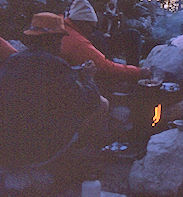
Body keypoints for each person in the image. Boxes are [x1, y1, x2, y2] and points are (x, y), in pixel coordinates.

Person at [0, 12, 108, 171]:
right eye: (60, 38)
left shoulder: (12, 61)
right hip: (40, 151)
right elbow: (89, 101)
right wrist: (88, 78)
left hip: (8, 147)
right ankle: (78, 159)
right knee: (102, 103)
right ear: (53, 39)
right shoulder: (56, 66)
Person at [61, 0, 151, 88]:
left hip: (106, 39)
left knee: (132, 34)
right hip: (74, 77)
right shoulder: (78, 42)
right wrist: (138, 72)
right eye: (92, 27)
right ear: (83, 23)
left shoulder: (64, 26)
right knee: (98, 37)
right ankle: (117, 84)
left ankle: (129, 76)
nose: (91, 31)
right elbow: (105, 67)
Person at [68, 0, 142, 66]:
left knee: (133, 34)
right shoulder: (82, 1)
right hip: (90, 41)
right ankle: (109, 70)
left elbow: (117, 24)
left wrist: (118, 20)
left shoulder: (112, 0)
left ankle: (133, 71)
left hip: (109, 39)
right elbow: (72, 26)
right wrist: (94, 10)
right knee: (98, 37)